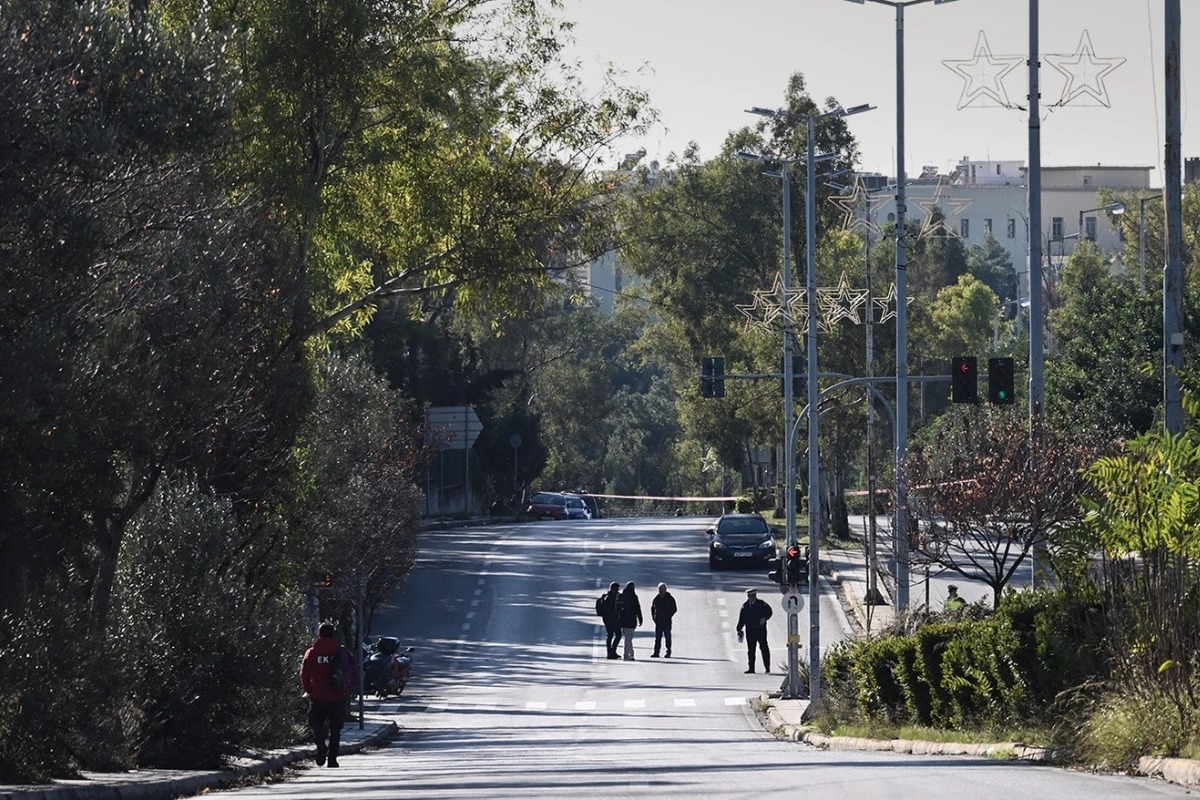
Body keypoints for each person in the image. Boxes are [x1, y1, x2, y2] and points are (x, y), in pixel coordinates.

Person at [300, 621, 357, 768]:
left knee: (315, 722)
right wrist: (347, 689)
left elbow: (304, 672)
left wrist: (308, 689)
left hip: (318, 695)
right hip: (337, 696)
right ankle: (332, 759)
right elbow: (353, 669)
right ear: (333, 634)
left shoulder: (312, 652)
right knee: (335, 728)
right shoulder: (341, 652)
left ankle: (320, 744)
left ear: (319, 634)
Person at [736, 589, 773, 674]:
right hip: (750, 630)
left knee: (764, 647)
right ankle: (751, 668)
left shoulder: (761, 604)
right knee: (751, 650)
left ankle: (767, 667)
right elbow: (741, 619)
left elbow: (769, 611)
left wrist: (764, 618)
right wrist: (739, 629)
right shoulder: (745, 606)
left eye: (753, 596)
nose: (751, 598)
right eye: (749, 596)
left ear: (755, 596)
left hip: (760, 629)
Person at [616, 581, 643, 660]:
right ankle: (627, 655)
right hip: (630, 621)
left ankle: (629, 654)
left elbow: (617, 608)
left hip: (623, 621)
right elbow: (637, 609)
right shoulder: (634, 597)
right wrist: (640, 618)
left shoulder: (622, 596)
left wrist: (619, 617)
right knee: (628, 639)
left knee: (628, 639)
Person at [650, 582, 677, 658]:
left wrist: (669, 615)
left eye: (662, 589)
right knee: (657, 638)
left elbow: (674, 608)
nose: (661, 591)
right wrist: (654, 617)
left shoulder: (670, 598)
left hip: (667, 621)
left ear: (665, 589)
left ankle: (668, 652)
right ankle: (656, 652)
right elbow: (652, 608)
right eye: (660, 589)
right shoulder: (656, 598)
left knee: (667, 637)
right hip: (658, 621)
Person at [598, 581, 623, 659]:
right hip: (613, 619)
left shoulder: (606, 596)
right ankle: (612, 651)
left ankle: (610, 652)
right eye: (617, 589)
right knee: (618, 635)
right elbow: (615, 609)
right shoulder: (613, 597)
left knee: (610, 635)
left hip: (606, 619)